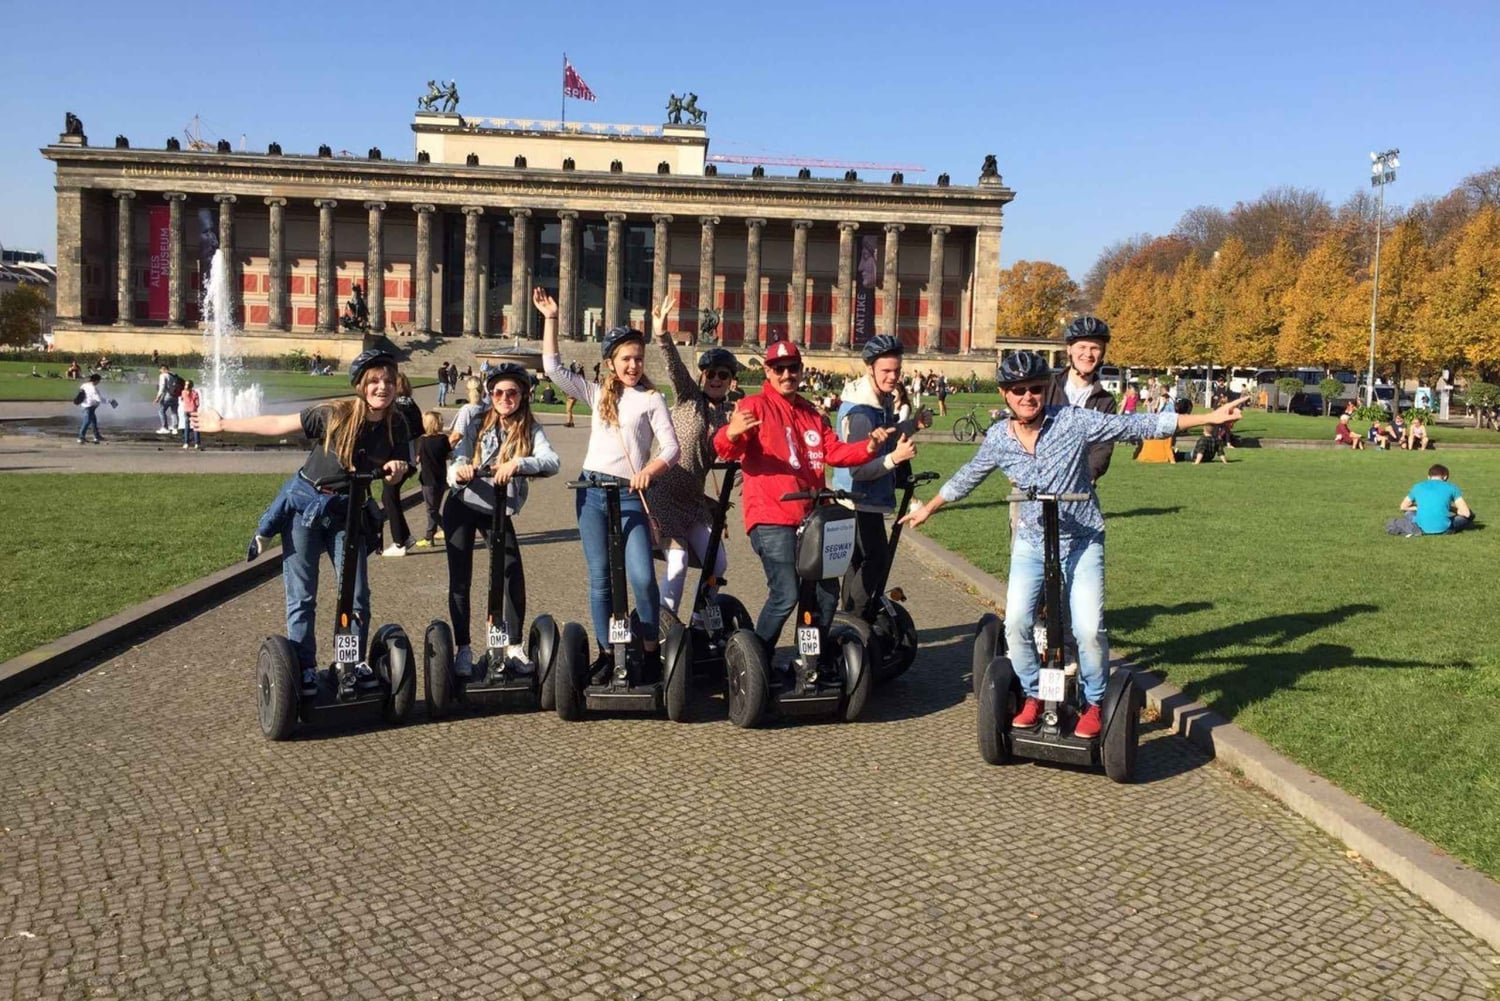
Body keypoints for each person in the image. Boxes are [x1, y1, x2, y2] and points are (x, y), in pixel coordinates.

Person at [899, 351, 1248, 739]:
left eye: (1035, 388)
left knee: (1087, 630)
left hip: (1082, 539)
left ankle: (1095, 701)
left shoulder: (1072, 422)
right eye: (1018, 390)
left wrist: (1209, 419)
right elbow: (970, 474)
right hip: (1032, 542)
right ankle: (1033, 694)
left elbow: (1137, 424)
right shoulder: (999, 437)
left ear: (1046, 389)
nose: (1028, 396)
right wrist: (929, 507)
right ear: (1004, 394)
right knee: (1016, 623)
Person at [194, 350, 411, 692]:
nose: (382, 387)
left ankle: (348, 663)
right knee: (303, 596)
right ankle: (305, 667)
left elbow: (396, 475)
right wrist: (222, 424)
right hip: (305, 510)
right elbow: (278, 424)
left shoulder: (397, 423)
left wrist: (395, 473)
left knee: (356, 596)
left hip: (348, 513)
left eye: (387, 380)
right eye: (374, 381)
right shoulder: (335, 414)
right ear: (360, 385)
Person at [713, 339, 899, 658]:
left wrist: (868, 447)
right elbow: (726, 449)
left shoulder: (811, 413)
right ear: (768, 372)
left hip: (810, 519)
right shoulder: (754, 407)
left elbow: (834, 451)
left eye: (793, 368)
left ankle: (809, 657)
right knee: (786, 593)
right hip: (771, 518)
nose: (787, 374)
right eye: (779, 369)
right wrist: (730, 432)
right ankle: (755, 659)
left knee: (826, 593)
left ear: (801, 370)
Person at [538, 287, 680, 679]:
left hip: (631, 495)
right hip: (592, 493)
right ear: (611, 363)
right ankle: (606, 652)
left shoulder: (651, 398)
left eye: (637, 358)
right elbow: (552, 369)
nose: (633, 365)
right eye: (625, 359)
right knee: (600, 576)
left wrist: (649, 472)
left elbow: (672, 448)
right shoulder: (597, 393)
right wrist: (550, 319)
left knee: (641, 578)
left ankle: (651, 649)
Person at [443, 364, 561, 677]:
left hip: (496, 508)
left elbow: (552, 462)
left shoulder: (530, 428)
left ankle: (513, 646)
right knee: (461, 578)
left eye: (512, 393)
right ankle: (464, 649)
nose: (505, 398)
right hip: (462, 504)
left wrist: (519, 463)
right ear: (489, 394)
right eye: (498, 392)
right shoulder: (473, 418)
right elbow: (455, 460)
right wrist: (461, 471)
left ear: (523, 395)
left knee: (510, 574)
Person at [646, 294, 738, 618]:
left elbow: (734, 454)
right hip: (664, 492)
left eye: (722, 375)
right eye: (710, 373)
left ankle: (702, 615)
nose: (715, 379)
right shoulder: (688, 398)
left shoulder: (729, 415)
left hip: (693, 499)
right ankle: (661, 625)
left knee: (719, 560)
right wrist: (661, 335)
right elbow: (673, 366)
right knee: (679, 560)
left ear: (731, 381)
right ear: (702, 377)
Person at [832, 334, 924, 618]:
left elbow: (886, 436)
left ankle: (849, 620)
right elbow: (857, 468)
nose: (893, 376)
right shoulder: (861, 413)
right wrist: (895, 459)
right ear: (869, 368)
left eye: (897, 370)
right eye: (886, 370)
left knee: (856, 562)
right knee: (876, 559)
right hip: (859, 500)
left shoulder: (878, 401)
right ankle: (855, 621)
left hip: (861, 498)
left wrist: (913, 424)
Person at [1045, 316, 1120, 483]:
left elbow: (1103, 446)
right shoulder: (1046, 387)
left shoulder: (1104, 401)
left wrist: (1089, 474)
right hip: (1038, 478)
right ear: (1069, 349)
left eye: (1095, 348)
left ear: (1102, 353)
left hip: (1080, 483)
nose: (1088, 354)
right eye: (1082, 347)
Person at [381, 372, 424, 557]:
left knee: (389, 497)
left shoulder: (395, 405)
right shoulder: (411, 404)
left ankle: (400, 542)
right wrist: (416, 454)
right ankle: (404, 537)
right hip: (409, 459)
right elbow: (419, 434)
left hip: (398, 459)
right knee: (390, 496)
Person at [1387, 464, 1474, 537]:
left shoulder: (1418, 486)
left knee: (1408, 513)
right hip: (1445, 529)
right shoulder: (1451, 487)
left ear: (1429, 476)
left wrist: (1419, 507)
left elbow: (1403, 507)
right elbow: (1466, 513)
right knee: (1470, 515)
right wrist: (1450, 508)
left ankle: (1420, 525)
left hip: (1422, 528)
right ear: (1445, 477)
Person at [412, 411, 450, 549]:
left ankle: (447, 529)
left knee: (431, 510)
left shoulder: (422, 440)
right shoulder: (443, 439)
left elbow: (417, 459)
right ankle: (430, 536)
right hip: (441, 478)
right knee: (435, 507)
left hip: (428, 479)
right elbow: (448, 455)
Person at [76, 372, 106, 444]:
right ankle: (81, 437)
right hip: (89, 407)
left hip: (85, 405)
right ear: (96, 380)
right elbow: (98, 399)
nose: (98, 383)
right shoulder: (93, 388)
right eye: (98, 381)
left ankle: (96, 435)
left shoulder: (84, 385)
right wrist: (109, 401)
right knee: (86, 422)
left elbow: (81, 392)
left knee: (93, 421)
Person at [154, 365, 179, 435]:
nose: (159, 371)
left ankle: (164, 427)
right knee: (174, 412)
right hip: (175, 396)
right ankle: (175, 428)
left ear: (163, 369)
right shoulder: (173, 375)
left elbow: (162, 387)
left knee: (161, 411)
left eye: (160, 370)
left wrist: (158, 397)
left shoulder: (163, 376)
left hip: (167, 396)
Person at [179, 379, 201, 449]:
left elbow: (182, 399)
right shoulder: (195, 393)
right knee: (196, 427)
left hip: (186, 411)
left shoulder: (183, 392)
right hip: (193, 410)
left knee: (187, 427)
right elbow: (197, 404)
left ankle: (186, 443)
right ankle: (197, 443)